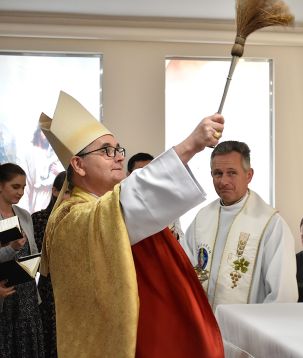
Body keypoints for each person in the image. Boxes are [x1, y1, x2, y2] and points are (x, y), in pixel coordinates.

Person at [39, 91, 224, 357]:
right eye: (106, 151)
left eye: (118, 149)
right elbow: (126, 204)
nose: (118, 157)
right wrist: (191, 145)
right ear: (78, 165)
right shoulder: (71, 218)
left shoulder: (102, 208)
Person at [181, 140, 298, 309]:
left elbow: (283, 295)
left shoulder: (270, 224)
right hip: (203, 329)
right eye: (218, 173)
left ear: (249, 175)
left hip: (247, 332)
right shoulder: (202, 219)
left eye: (232, 173)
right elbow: (184, 271)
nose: (223, 181)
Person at [0, 163, 44, 358]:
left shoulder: (24, 215)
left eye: (24, 187)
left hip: (26, 291)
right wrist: (11, 248)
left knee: (28, 345)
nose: (21, 192)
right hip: (4, 294)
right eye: (15, 187)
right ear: (0, 185)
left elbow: (31, 251)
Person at [32, 170, 68, 358]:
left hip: (75, 287)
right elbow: (36, 258)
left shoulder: (81, 217)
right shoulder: (38, 218)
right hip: (49, 286)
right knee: (50, 336)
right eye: (67, 192)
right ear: (55, 191)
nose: (71, 197)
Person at [127, 152, 184, 241]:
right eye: (140, 172)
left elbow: (180, 235)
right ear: (128, 175)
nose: (145, 177)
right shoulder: (122, 202)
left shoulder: (168, 202)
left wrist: (174, 235)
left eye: (150, 171)